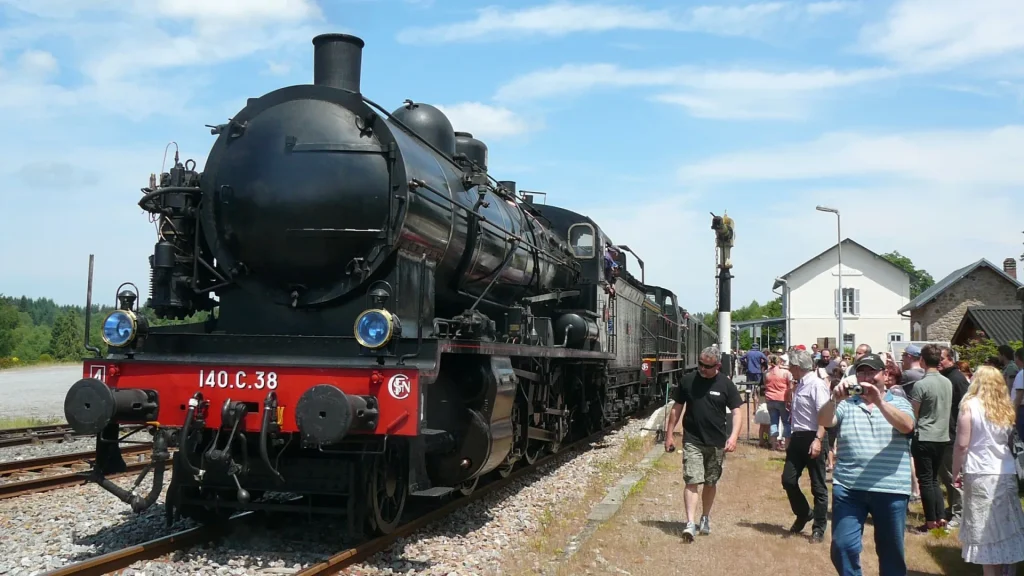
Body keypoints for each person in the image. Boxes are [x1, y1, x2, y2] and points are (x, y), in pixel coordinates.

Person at [818, 353, 916, 576]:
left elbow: (907, 426)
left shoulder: (899, 402)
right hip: (850, 487)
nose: (867, 377)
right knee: (842, 546)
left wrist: (879, 401)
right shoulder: (847, 404)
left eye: (872, 372)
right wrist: (834, 399)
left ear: (885, 375)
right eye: (861, 372)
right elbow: (824, 421)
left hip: (890, 488)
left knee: (891, 551)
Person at [664, 346, 744, 542]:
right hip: (693, 439)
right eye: (700, 364)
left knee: (710, 481)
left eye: (706, 366)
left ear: (717, 365)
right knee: (691, 479)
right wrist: (669, 435)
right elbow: (677, 408)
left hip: (716, 442)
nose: (701, 369)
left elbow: (737, 412)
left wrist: (733, 437)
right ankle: (690, 523)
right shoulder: (688, 380)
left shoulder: (725, 384)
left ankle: (705, 517)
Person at [951, 365, 1024, 575]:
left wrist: (956, 471)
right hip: (1005, 470)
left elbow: (962, 444)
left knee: (984, 529)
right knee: (1006, 526)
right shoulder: (1005, 406)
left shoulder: (970, 405)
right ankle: (1008, 570)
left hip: (980, 470)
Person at [781, 348, 831, 543]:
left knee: (818, 486)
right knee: (788, 480)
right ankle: (804, 513)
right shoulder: (800, 384)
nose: (788, 369)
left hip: (814, 436)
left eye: (790, 366)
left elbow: (825, 415)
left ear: (797, 366)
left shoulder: (816, 385)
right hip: (798, 437)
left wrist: (818, 439)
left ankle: (818, 527)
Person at [907, 344, 953, 533]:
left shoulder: (921, 384)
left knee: (925, 479)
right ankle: (940, 516)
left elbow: (914, 413)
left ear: (923, 361)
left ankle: (930, 521)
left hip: (925, 435)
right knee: (934, 479)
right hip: (942, 436)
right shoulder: (947, 382)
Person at [938, 346, 970, 527]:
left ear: (950, 358)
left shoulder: (957, 379)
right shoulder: (945, 377)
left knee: (954, 477)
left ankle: (960, 513)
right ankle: (953, 508)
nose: (939, 363)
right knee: (947, 476)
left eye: (941, 359)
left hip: (953, 434)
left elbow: (964, 407)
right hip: (946, 433)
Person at [764, 355, 793, 450]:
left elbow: (765, 384)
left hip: (770, 399)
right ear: (779, 361)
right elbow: (790, 387)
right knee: (786, 422)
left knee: (773, 422)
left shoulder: (766, 373)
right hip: (783, 398)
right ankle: (787, 445)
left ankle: (773, 445)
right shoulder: (786, 373)